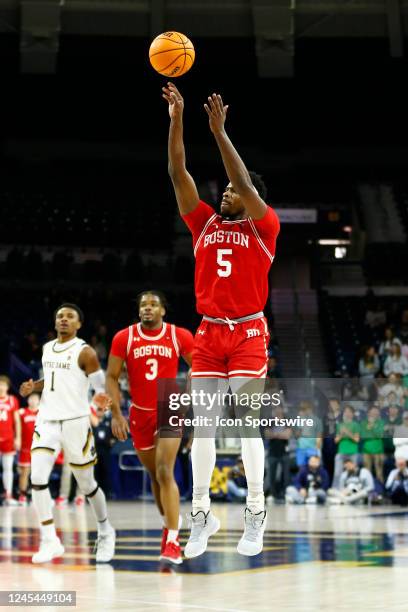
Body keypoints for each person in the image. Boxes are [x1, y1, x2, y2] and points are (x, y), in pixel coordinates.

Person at [163, 82, 280, 557]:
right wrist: (177, 121)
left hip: (249, 332)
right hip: (209, 333)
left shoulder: (265, 225)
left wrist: (219, 133)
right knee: (203, 428)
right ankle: (201, 515)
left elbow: (246, 184)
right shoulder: (204, 223)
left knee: (247, 424)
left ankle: (255, 510)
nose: (228, 190)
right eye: (226, 188)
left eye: (235, 189)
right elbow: (177, 173)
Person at [19, 303, 115, 564]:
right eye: (60, 316)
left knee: (86, 484)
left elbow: (100, 390)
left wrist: (101, 406)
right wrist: (34, 387)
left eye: (69, 317)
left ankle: (106, 529)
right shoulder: (48, 348)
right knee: (37, 478)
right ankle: (50, 540)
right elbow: (51, 379)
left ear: (79, 324)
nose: (63, 319)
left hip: (76, 422)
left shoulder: (86, 352)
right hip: (47, 421)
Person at [106, 291, 194, 565]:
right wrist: (116, 414)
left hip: (168, 403)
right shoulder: (125, 337)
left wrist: (187, 398)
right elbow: (111, 376)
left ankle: (172, 541)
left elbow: (200, 366)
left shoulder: (179, 335)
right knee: (156, 475)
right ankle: (169, 524)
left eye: (154, 304)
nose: (148, 308)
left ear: (163, 311)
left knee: (166, 471)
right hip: (139, 411)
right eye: (143, 304)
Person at [0, 375, 21, 505]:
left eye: (3, 384)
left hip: (8, 438)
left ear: (7, 387)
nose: (1, 387)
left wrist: (18, 438)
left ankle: (8, 495)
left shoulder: (13, 400)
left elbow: (17, 421)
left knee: (8, 468)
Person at [17, 392, 40, 505]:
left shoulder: (42, 414)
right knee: (25, 472)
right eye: (31, 398)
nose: (33, 400)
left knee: (38, 473)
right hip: (25, 448)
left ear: (39, 401)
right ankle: (22, 494)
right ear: (27, 400)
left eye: (35, 398)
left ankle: (37, 496)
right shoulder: (22, 412)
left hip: (39, 448)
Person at [333, 405, 360, 489]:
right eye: (346, 412)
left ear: (352, 414)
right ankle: (336, 490)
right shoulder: (339, 425)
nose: (347, 413)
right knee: (337, 473)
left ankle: (353, 489)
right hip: (341, 452)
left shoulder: (356, 425)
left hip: (353, 452)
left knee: (353, 472)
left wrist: (347, 432)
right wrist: (341, 434)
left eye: (349, 412)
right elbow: (336, 440)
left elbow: (357, 440)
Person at [360, 406, 385, 483]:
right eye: (373, 411)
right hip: (366, 450)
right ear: (368, 413)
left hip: (378, 450)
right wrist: (373, 432)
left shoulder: (381, 422)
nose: (374, 413)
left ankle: (381, 490)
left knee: (379, 472)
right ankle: (367, 489)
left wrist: (372, 426)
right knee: (367, 471)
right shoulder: (363, 423)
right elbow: (363, 436)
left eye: (376, 411)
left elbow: (380, 435)